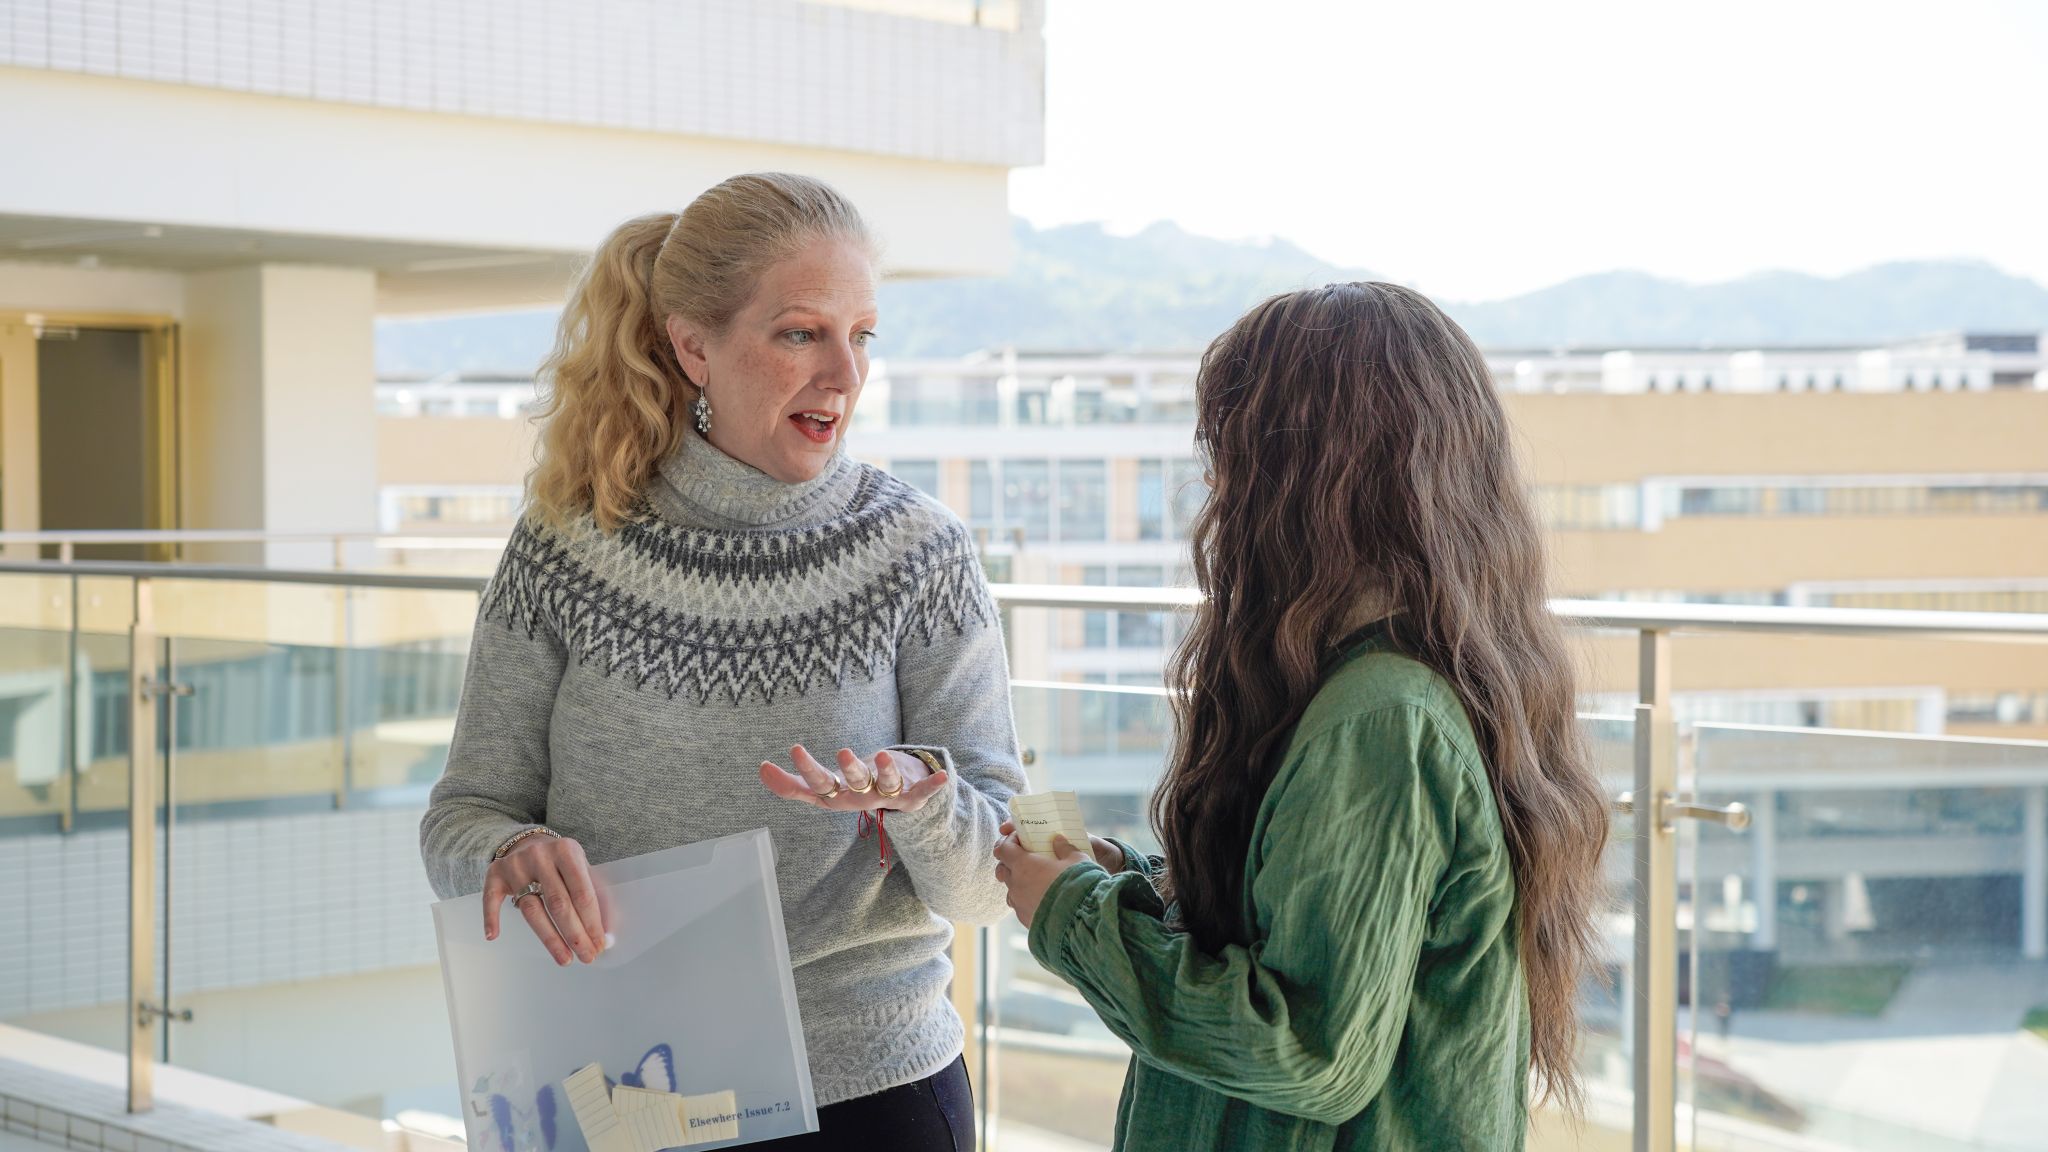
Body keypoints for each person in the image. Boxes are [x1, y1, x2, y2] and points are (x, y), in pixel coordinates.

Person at [421, 172, 1022, 1152]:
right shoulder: (566, 547)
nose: (845, 374)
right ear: (693, 346)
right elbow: (463, 816)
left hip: (869, 1099)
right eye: (801, 333)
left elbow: (994, 884)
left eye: (862, 335)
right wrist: (505, 853)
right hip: (621, 1085)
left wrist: (920, 796)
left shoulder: (921, 552)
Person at [993, 282, 1612, 1150]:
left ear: (1304, 474)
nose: (1215, 488)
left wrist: (1076, 916)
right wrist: (1123, 883)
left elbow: (1309, 1051)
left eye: (1232, 449)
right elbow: (1301, 929)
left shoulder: (1380, 719)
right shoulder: (1398, 678)